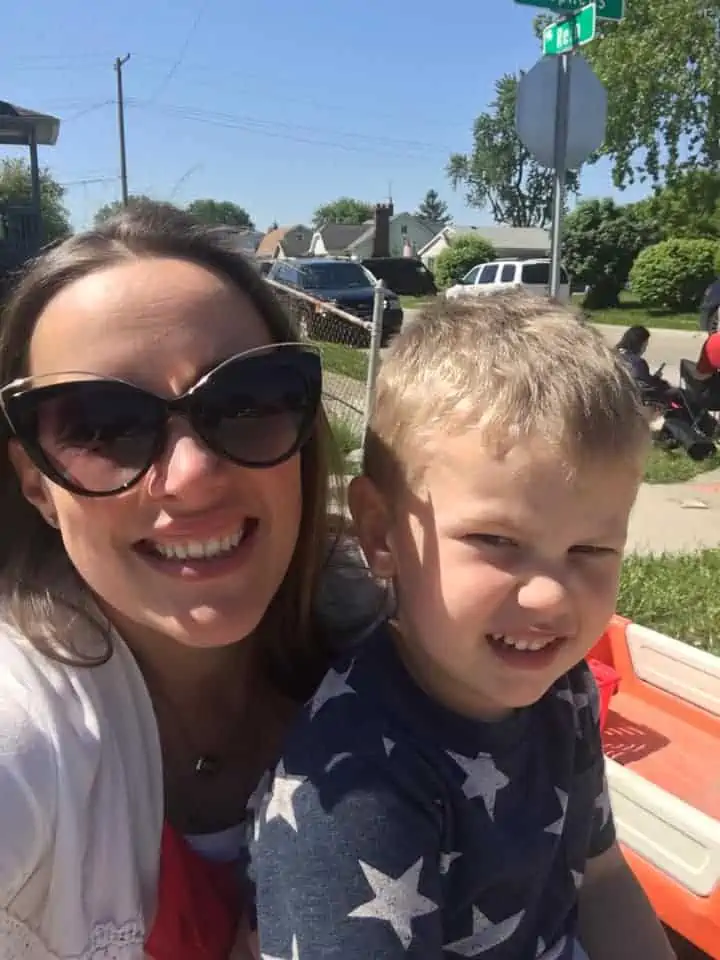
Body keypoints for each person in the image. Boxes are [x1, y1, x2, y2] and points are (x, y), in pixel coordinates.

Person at [0, 204, 385, 958]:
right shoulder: (24, 726)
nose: (194, 476)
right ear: (38, 486)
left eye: (245, 402)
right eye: (104, 427)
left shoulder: (393, 644)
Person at [252, 294, 675, 959]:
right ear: (380, 532)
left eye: (591, 550)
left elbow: (602, 880)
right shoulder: (354, 792)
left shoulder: (564, 694)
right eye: (497, 540)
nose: (549, 597)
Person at [615, 325, 674, 404]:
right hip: (634, 400)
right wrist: (656, 379)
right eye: (645, 345)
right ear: (640, 344)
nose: (645, 348)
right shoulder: (638, 362)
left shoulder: (613, 354)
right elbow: (647, 387)